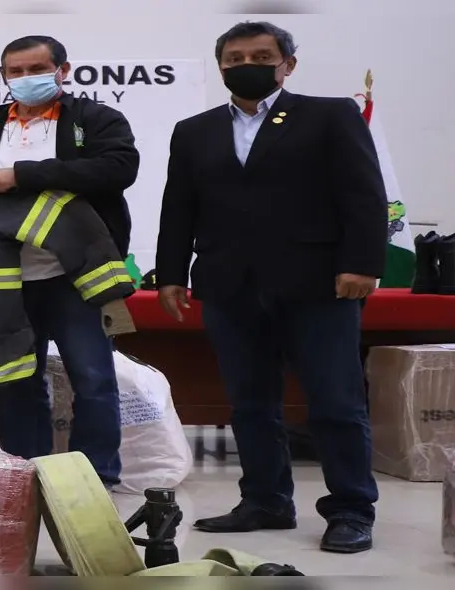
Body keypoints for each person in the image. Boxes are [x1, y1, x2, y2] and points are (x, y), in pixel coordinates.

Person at [155, 21, 387, 554]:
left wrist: (361, 264)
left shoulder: (330, 116)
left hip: (318, 285)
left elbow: (363, 194)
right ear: (221, 67)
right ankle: (265, 500)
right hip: (229, 284)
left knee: (335, 403)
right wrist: (170, 273)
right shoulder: (194, 130)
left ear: (288, 64)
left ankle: (351, 509)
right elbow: (179, 207)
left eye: (261, 56)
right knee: (250, 404)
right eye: (234, 58)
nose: (247, 65)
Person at [0, 35, 140, 487]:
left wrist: (23, 174)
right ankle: (25, 472)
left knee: (92, 377)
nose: (25, 78)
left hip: (77, 274)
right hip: (5, 278)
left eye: (36, 69)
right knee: (15, 380)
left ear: (62, 70)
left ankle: (95, 476)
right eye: (15, 71)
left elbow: (119, 168)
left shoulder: (96, 120)